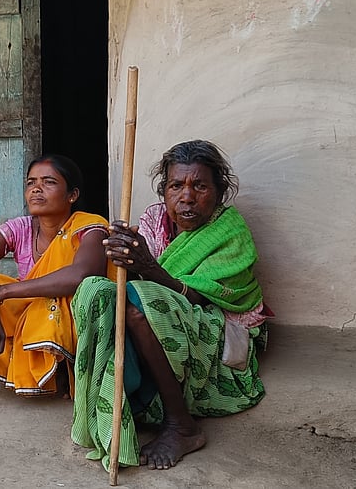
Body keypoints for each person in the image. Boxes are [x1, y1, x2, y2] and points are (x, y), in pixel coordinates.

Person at [71, 140, 272, 470]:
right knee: (97, 291)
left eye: (200, 186)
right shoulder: (154, 219)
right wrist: (124, 253)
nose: (188, 197)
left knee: (139, 301)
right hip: (161, 318)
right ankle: (118, 403)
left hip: (215, 328)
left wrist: (147, 266)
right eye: (176, 185)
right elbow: (137, 278)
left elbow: (195, 296)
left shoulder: (229, 230)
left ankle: (183, 426)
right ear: (164, 190)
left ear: (219, 191)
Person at [0, 154, 110, 396]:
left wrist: (1, 292)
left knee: (52, 302)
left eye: (49, 182)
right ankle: (2, 365)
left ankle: (62, 368)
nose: (36, 189)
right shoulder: (20, 228)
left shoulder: (90, 227)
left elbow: (80, 275)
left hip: (70, 311)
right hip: (30, 307)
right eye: (31, 182)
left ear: (72, 195)